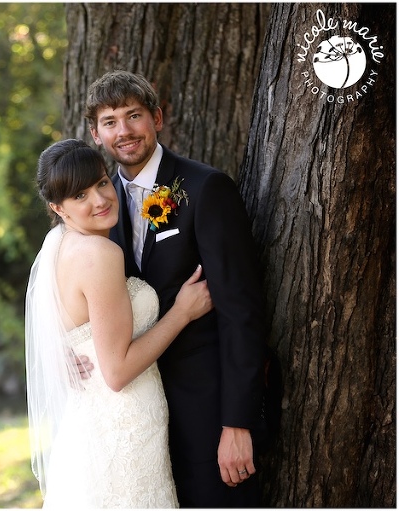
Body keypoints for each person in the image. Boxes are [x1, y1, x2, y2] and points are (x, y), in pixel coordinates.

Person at [79, 70, 267, 507]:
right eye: (110, 121)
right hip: (138, 418)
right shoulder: (98, 207)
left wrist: (237, 424)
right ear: (96, 133)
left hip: (207, 415)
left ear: (157, 119)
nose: (123, 131)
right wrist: (77, 352)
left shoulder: (205, 189)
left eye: (134, 115)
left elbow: (243, 313)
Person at [25, 138, 214, 508]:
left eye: (100, 183)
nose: (99, 200)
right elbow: (117, 371)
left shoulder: (58, 246)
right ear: (57, 208)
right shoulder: (100, 254)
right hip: (122, 430)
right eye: (80, 197)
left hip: (90, 431)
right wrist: (182, 313)